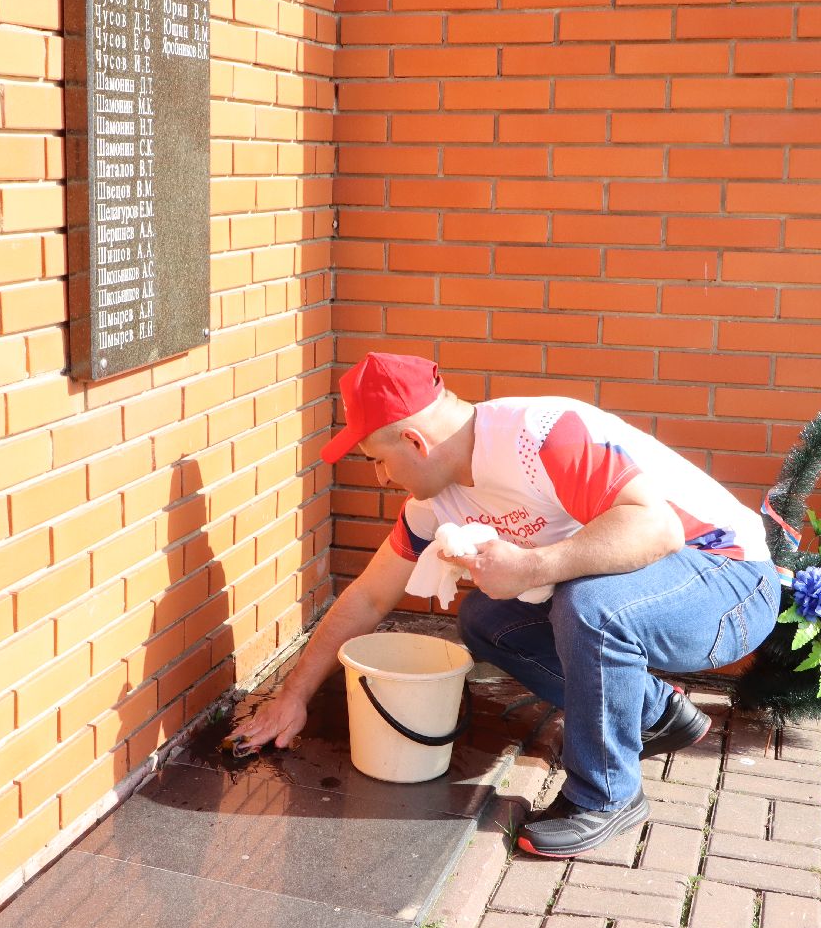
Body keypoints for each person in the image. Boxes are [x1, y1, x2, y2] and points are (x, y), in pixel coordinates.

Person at [231, 352, 779, 858]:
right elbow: (371, 595)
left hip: (731, 581)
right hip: (655, 586)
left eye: (377, 460)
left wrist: (531, 567)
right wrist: (292, 696)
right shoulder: (434, 501)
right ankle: (655, 714)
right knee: (487, 619)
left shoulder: (542, 436)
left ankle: (607, 795)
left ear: (415, 441)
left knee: (591, 605)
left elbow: (657, 529)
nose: (379, 477)